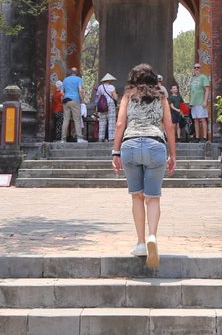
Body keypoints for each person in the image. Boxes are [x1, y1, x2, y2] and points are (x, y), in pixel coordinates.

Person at [111, 63, 176, 268]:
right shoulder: (161, 95)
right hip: (155, 145)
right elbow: (169, 125)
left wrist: (115, 151)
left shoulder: (128, 94)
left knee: (137, 196)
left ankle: (140, 243)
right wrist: (173, 154)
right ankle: (152, 237)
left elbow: (120, 123)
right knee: (153, 197)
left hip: (130, 145)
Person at [61, 66, 86, 143]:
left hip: (66, 100)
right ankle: (79, 138)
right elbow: (80, 90)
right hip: (75, 100)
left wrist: (65, 97)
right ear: (77, 72)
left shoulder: (65, 80)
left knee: (66, 120)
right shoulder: (79, 79)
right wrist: (82, 100)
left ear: (70, 72)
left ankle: (63, 139)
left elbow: (62, 92)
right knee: (77, 119)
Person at [91, 73, 118, 142]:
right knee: (111, 121)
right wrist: (116, 96)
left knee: (102, 122)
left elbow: (99, 97)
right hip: (110, 105)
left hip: (102, 106)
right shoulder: (111, 87)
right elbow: (115, 97)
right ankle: (111, 138)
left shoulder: (100, 87)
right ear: (108, 80)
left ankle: (101, 137)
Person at [188, 63, 212, 142]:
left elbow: (207, 90)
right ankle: (197, 137)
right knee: (195, 119)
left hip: (201, 101)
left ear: (200, 69)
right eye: (195, 68)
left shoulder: (203, 77)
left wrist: (205, 101)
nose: (196, 69)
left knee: (203, 118)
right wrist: (190, 101)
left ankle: (205, 137)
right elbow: (191, 91)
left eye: (198, 67)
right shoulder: (193, 78)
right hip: (193, 102)